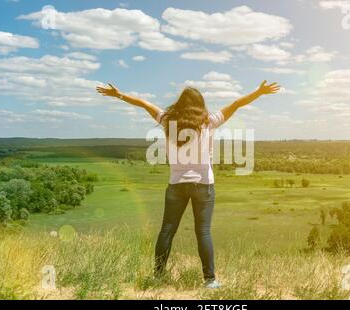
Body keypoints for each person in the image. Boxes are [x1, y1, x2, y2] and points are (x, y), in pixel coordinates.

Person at [96, 80, 280, 288]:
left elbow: (144, 104)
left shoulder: (167, 121)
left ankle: (158, 276)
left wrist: (118, 94)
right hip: (203, 184)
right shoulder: (208, 122)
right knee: (203, 232)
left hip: (176, 184)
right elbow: (237, 103)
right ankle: (209, 281)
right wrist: (259, 91)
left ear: (179, 104)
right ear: (200, 104)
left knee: (167, 230)